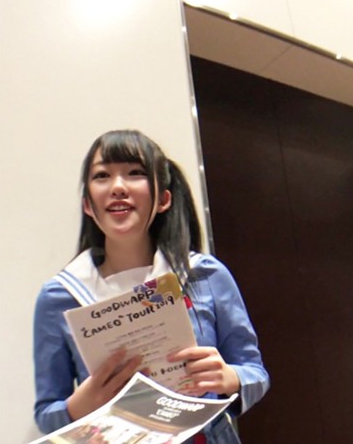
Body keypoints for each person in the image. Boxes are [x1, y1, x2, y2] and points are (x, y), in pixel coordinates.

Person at [33, 129, 270, 443]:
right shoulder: (60, 296)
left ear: (163, 200)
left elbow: (255, 374)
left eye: (135, 173)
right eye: (102, 176)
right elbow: (47, 413)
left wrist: (230, 377)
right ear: (88, 204)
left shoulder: (204, 275)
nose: (118, 187)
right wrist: (79, 405)